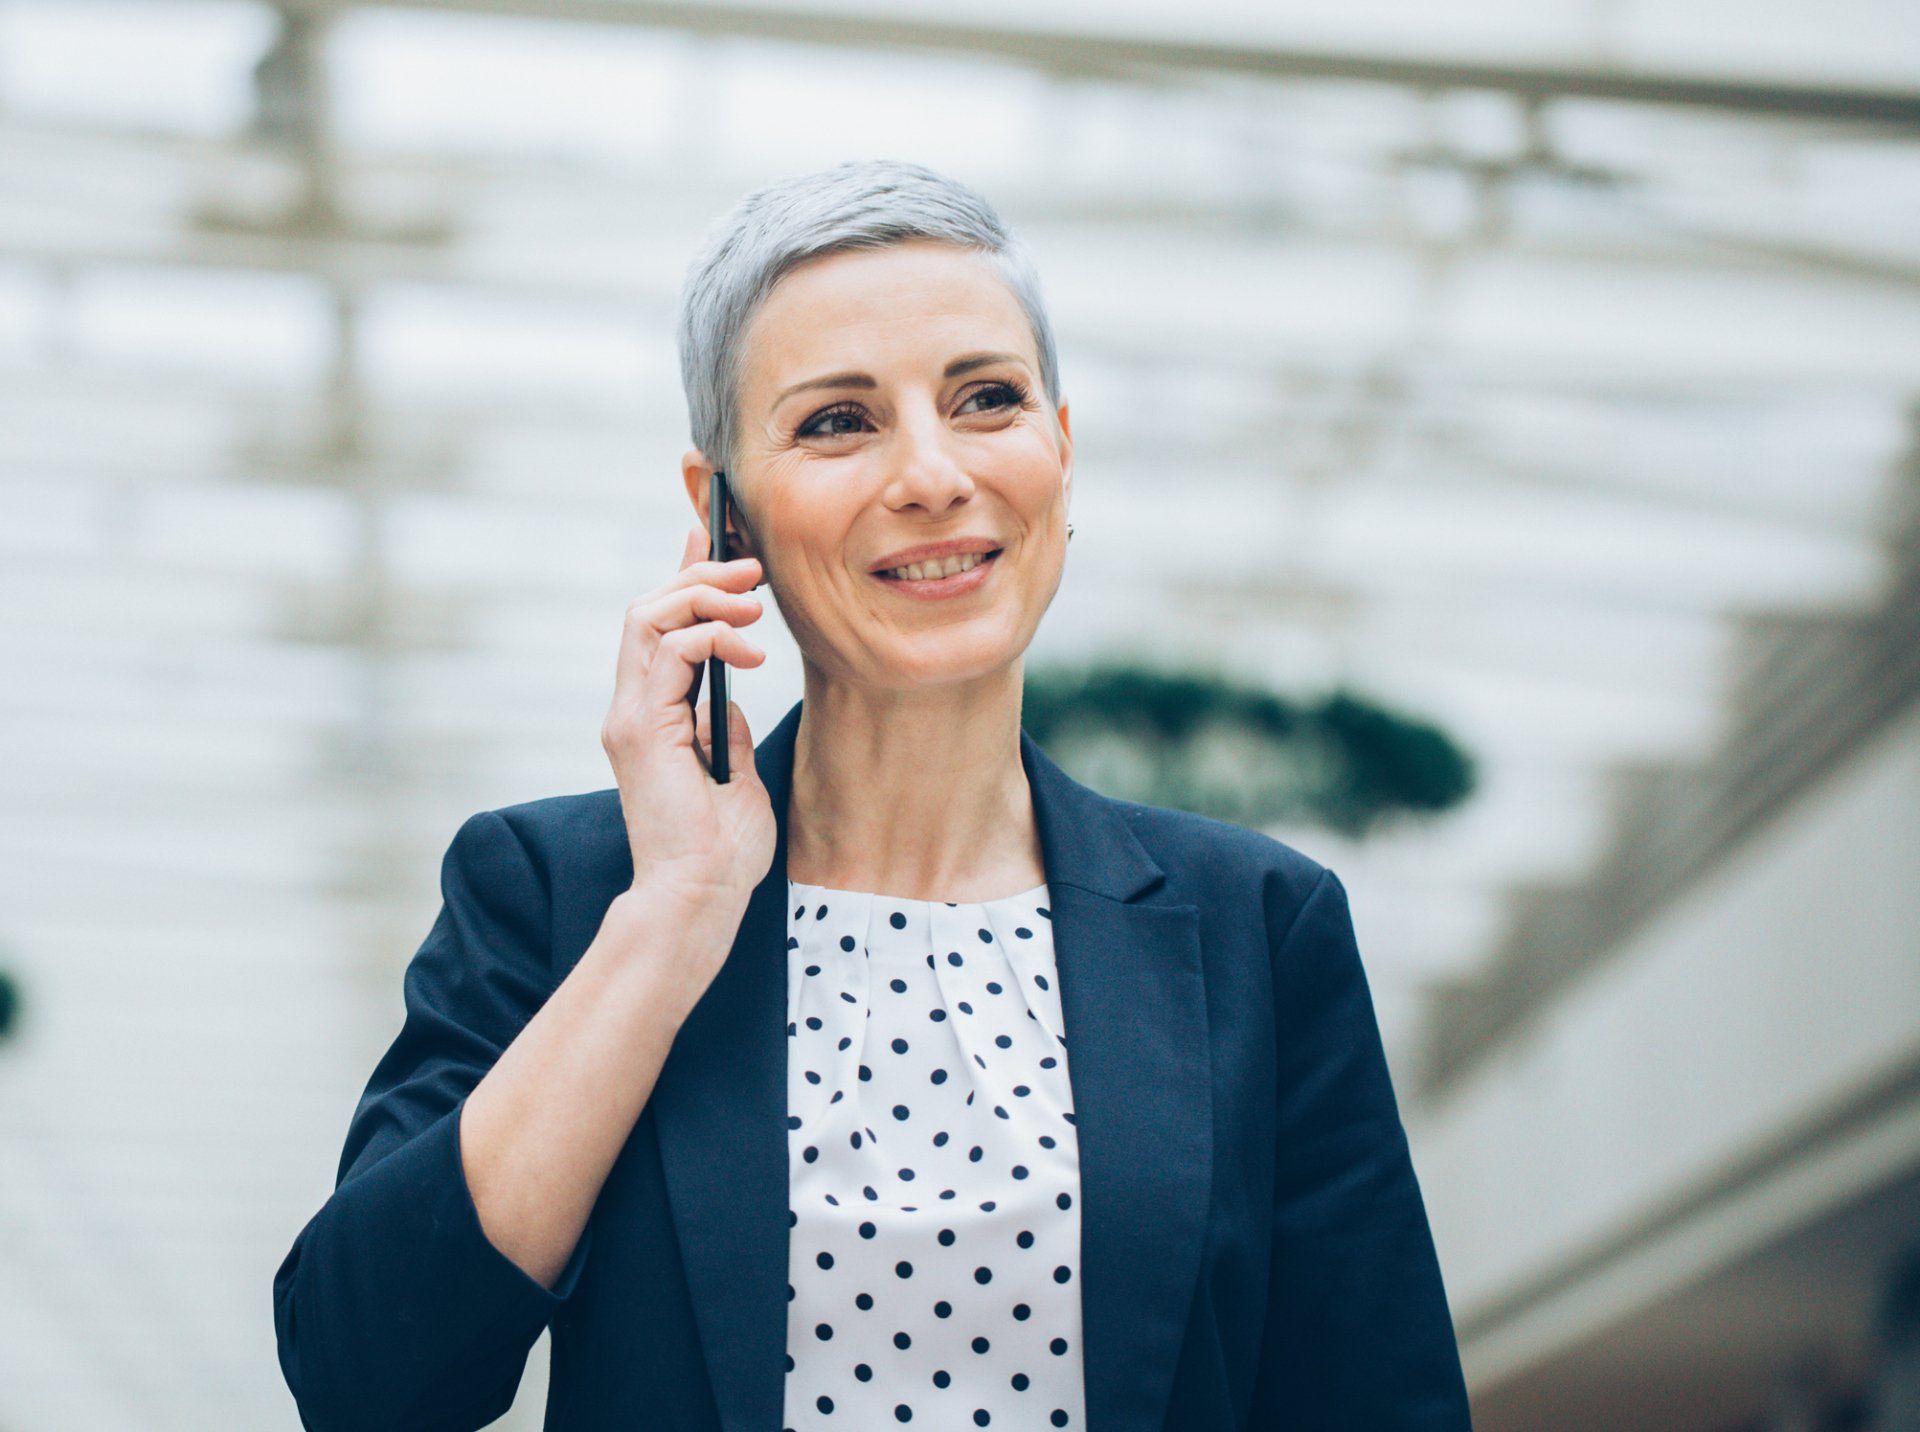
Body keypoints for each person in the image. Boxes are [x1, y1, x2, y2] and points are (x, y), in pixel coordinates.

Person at [271, 157, 1473, 1432]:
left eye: (988, 399)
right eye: (838, 420)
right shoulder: (564, 895)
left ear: (1060, 454)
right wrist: (678, 907)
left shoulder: (1257, 929)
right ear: (721, 508)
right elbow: (366, 1377)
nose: (932, 474)